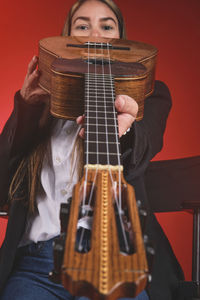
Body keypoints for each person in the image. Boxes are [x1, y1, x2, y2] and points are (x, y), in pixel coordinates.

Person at [0, 0, 184, 299]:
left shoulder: (150, 94)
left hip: (118, 260)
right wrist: (26, 109)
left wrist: (124, 128)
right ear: (67, 37)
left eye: (107, 26)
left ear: (122, 39)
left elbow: (142, 146)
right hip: (35, 269)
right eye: (82, 26)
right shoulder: (41, 107)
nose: (94, 35)